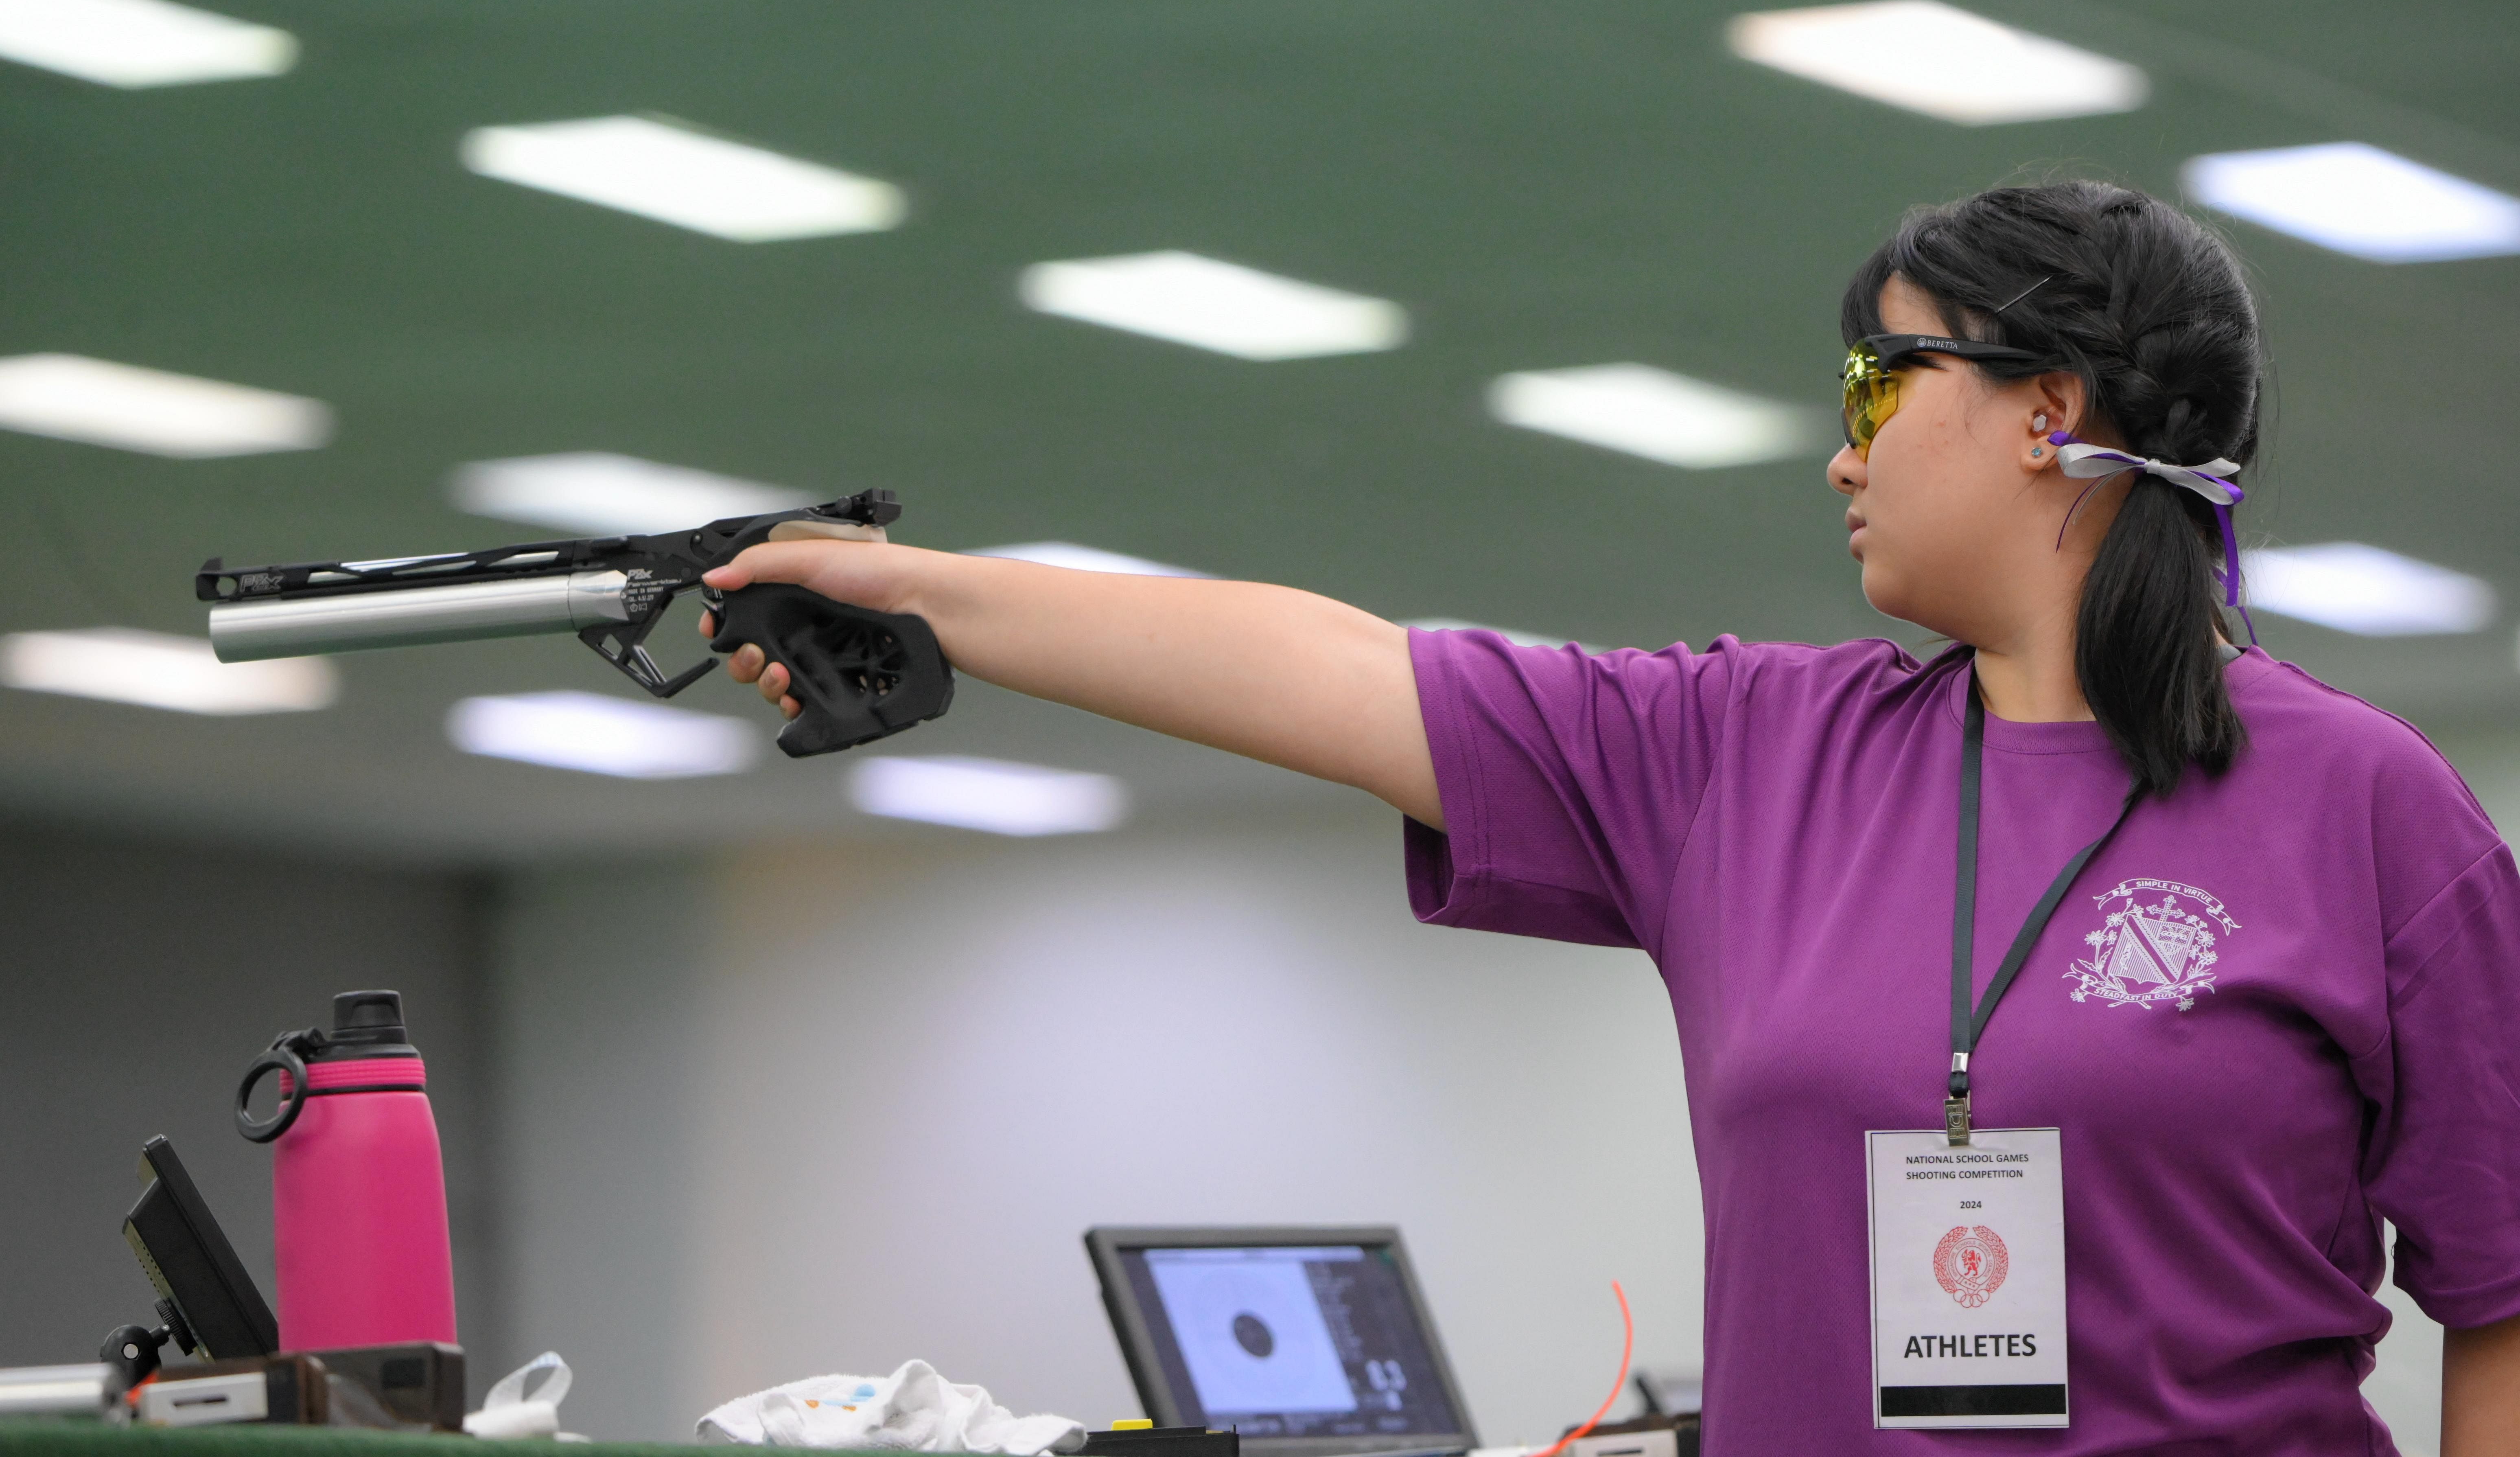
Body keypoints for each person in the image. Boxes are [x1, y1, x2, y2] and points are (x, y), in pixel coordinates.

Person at [702, 181, 2520, 1454]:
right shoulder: (1745, 753)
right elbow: (1324, 669)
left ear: (2053, 412)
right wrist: (918, 586)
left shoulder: (2366, 807)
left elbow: (2505, 1299)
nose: (1843, 448)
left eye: (1884, 382)